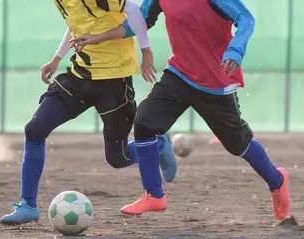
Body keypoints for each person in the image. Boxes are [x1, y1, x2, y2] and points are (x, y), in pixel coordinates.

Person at [71, 0, 291, 221]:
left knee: (238, 145)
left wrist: (235, 51)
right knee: (145, 122)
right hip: (180, 74)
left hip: (215, 82)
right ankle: (154, 195)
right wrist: (98, 37)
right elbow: (139, 22)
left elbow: (246, 20)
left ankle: (277, 181)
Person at [0, 0, 178, 225]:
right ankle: (28, 206)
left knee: (117, 158)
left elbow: (132, 10)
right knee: (34, 129)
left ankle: (158, 144)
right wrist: (57, 58)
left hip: (114, 80)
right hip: (79, 76)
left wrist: (146, 51)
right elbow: (78, 23)